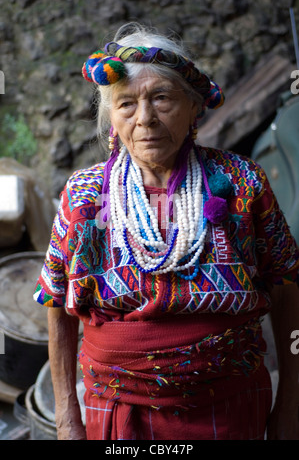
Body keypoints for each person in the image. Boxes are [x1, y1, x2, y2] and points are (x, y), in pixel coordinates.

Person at [34, 22, 299, 441]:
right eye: (125, 104)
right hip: (119, 409)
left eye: (161, 98)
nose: (145, 119)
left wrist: (290, 405)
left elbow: (286, 285)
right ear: (111, 121)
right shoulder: (85, 195)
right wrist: (68, 419)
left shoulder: (243, 182)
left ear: (194, 108)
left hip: (228, 406)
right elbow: (55, 300)